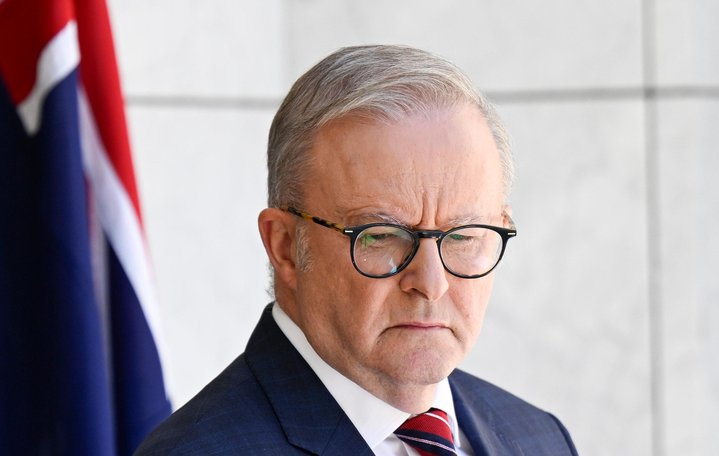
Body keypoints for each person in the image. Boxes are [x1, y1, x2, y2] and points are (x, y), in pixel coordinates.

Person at [136, 45, 578, 455]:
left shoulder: (539, 437)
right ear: (285, 246)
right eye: (381, 235)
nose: (430, 284)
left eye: (462, 236)